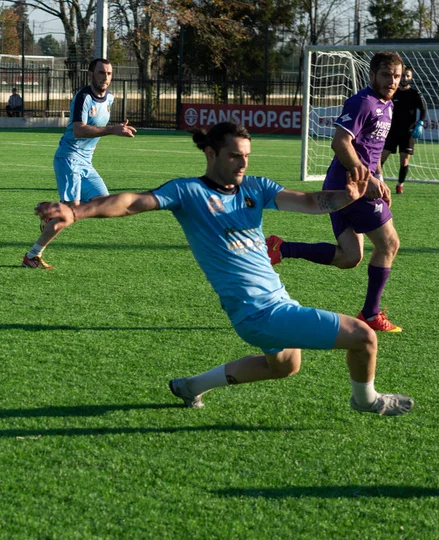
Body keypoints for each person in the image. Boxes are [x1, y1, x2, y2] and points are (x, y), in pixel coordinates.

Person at [35, 122, 414, 416]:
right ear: (212, 154)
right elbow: (132, 201)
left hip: (274, 300)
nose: (243, 163)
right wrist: (76, 210)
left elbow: (312, 201)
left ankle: (191, 386)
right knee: (363, 336)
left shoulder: (256, 187)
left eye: (246, 155)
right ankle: (365, 401)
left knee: (285, 364)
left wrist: (347, 196)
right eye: (234, 156)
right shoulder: (188, 192)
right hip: (258, 312)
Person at [266, 51, 404, 333]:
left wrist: (379, 176)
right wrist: (367, 180)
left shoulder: (388, 105)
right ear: (372, 75)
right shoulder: (362, 102)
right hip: (350, 186)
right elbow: (340, 143)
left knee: (349, 257)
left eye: (397, 76)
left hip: (350, 184)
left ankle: (281, 248)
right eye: (386, 75)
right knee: (389, 244)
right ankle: (370, 314)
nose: (392, 81)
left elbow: (371, 149)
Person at [22, 58, 136, 269]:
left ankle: (52, 216)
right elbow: (78, 129)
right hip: (68, 159)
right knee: (70, 213)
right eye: (101, 73)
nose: (106, 77)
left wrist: (114, 127)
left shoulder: (109, 98)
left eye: (109, 74)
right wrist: (112, 130)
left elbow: (96, 130)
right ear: (91, 75)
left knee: (103, 202)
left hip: (86, 163)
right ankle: (32, 255)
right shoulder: (83, 97)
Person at [380, 66, 428, 195]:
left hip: (408, 132)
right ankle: (377, 181)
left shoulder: (415, 94)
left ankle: (400, 185)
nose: (405, 78)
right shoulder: (392, 92)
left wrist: (420, 123)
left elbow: (423, 109)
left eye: (407, 76)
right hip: (391, 131)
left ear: (411, 78)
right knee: (381, 158)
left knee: (404, 160)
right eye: (403, 75)